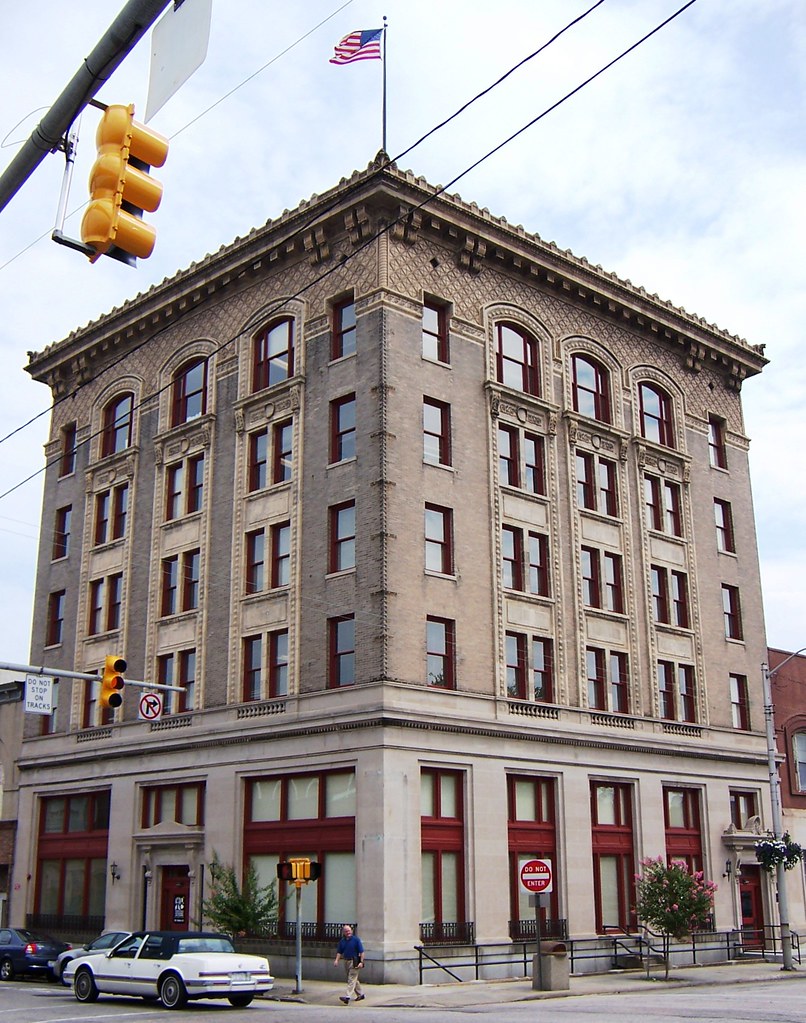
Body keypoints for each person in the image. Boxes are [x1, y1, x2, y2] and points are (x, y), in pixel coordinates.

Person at [334, 923, 365, 1003]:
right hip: (346, 961)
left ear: (352, 931)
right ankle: (361, 994)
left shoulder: (356, 940)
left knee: (351, 978)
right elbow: (339, 952)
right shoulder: (342, 941)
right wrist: (337, 960)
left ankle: (348, 996)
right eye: (346, 931)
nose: (348, 932)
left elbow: (361, 952)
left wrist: (361, 962)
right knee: (354, 979)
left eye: (349, 931)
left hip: (354, 961)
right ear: (344, 933)